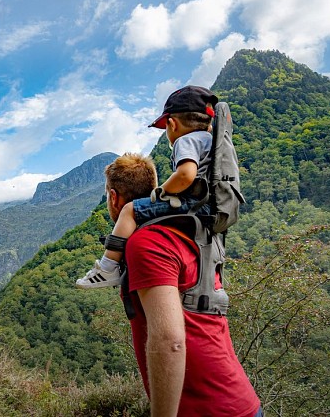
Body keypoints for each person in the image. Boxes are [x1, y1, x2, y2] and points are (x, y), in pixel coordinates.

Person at [98, 152, 261, 417]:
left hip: (207, 409)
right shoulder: (186, 232)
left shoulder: (146, 242)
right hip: (237, 399)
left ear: (113, 198)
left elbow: (169, 341)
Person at [76, 85, 217, 289]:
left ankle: (107, 267)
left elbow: (186, 174)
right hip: (209, 206)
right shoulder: (211, 141)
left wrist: (163, 191)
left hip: (195, 203)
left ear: (172, 124)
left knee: (130, 210)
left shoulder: (185, 141)